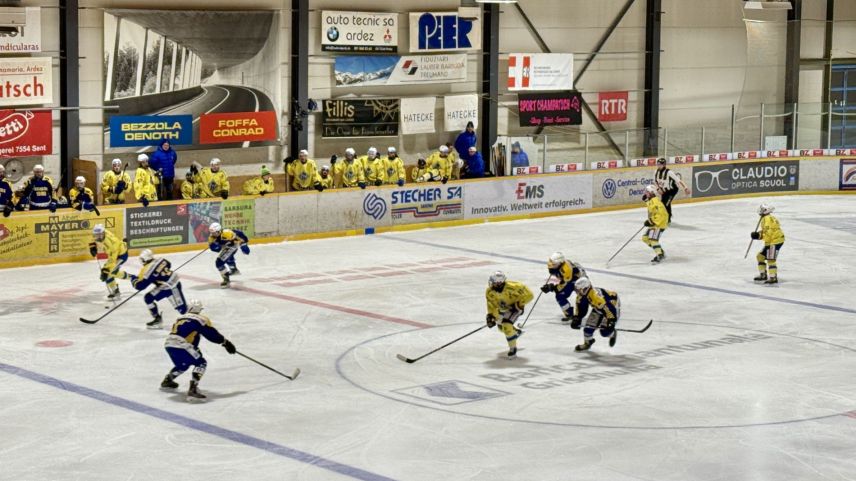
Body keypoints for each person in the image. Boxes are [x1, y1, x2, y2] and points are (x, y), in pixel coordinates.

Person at [160, 299, 237, 402]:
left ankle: (168, 380)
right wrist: (224, 342)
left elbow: (191, 335)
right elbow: (210, 333)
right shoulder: (200, 319)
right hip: (182, 344)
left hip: (169, 344)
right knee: (201, 363)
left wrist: (194, 349)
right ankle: (193, 389)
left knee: (183, 364)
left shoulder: (180, 317)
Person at [130, 249, 187, 329]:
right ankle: (157, 319)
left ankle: (158, 320)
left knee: (183, 311)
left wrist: (133, 279)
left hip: (170, 287)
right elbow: (169, 264)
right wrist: (158, 276)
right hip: (172, 283)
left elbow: (140, 286)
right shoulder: (161, 259)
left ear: (144, 259)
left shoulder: (148, 271)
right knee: (149, 297)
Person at [485, 271, 533, 359]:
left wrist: (519, 304)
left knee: (506, 326)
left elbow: (530, 295)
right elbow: (491, 305)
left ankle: (512, 349)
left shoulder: (515, 286)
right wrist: (490, 316)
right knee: (501, 328)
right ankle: (516, 332)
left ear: (499, 283)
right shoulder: (489, 291)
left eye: (494, 283)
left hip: (514, 309)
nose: (491, 285)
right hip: (502, 309)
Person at [571, 277, 620, 352]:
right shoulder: (582, 295)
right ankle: (588, 343)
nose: (577, 292)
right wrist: (577, 317)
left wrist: (611, 321)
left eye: (578, 290)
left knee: (605, 332)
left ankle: (612, 334)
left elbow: (609, 309)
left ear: (585, 288)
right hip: (599, 307)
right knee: (588, 329)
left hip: (612, 305)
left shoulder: (596, 297)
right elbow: (580, 308)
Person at [540, 252, 587, 322]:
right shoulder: (559, 265)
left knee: (583, 299)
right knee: (560, 296)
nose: (550, 265)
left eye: (553, 264)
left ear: (559, 263)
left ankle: (580, 316)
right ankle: (569, 314)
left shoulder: (566, 270)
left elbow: (563, 284)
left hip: (579, 281)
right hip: (570, 280)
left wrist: (552, 287)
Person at [89, 223, 129, 300]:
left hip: (121, 256)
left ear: (103, 233)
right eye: (96, 235)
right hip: (116, 253)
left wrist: (105, 269)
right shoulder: (99, 233)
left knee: (109, 273)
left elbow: (112, 260)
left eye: (99, 235)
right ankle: (116, 290)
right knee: (110, 273)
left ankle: (132, 278)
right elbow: (93, 238)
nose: (98, 237)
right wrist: (92, 246)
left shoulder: (111, 243)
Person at [208, 222, 249, 288]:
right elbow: (216, 249)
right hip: (227, 247)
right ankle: (233, 269)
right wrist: (214, 246)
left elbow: (239, 234)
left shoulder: (227, 233)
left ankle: (226, 279)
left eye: (214, 232)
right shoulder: (211, 238)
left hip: (233, 246)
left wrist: (243, 244)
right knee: (225, 258)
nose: (212, 234)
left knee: (219, 262)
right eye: (211, 232)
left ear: (219, 231)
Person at [752, 203, 785, 284]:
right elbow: (766, 232)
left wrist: (758, 236)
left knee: (771, 258)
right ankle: (763, 275)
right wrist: (758, 235)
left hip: (774, 241)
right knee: (760, 256)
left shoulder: (767, 219)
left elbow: (769, 234)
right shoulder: (768, 218)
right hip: (772, 240)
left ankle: (773, 277)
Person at [654, 158, 690, 224]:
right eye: (658, 164)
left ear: (664, 165)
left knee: (666, 204)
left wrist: (685, 188)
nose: (658, 166)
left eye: (660, 164)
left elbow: (678, 181)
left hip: (672, 190)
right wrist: (658, 189)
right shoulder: (656, 171)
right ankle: (668, 216)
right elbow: (655, 181)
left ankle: (667, 218)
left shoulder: (669, 172)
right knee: (663, 204)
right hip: (664, 191)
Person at [642, 185, 668, 263]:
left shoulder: (656, 202)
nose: (645, 193)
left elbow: (662, 215)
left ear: (651, 193)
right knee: (645, 238)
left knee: (653, 240)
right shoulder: (652, 200)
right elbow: (651, 208)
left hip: (658, 225)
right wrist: (646, 201)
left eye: (647, 191)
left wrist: (651, 222)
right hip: (654, 223)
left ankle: (659, 255)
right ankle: (660, 251)